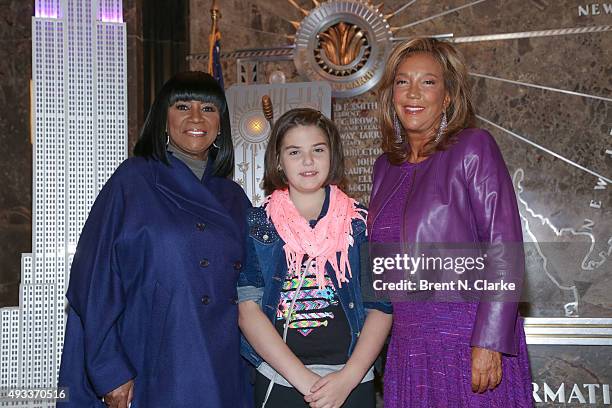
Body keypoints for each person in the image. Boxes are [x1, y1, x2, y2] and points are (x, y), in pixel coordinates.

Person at [58, 71, 251, 408]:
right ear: (163, 118)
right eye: (182, 106)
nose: (195, 117)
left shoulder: (235, 197)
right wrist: (110, 371)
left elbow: (256, 285)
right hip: (154, 362)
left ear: (221, 124)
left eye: (208, 108)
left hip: (225, 366)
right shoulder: (133, 180)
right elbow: (94, 281)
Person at [368, 38, 533, 407]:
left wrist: (490, 340)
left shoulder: (473, 148)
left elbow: (504, 248)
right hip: (408, 345)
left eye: (428, 82)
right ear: (391, 93)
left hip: (467, 337)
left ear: (447, 96)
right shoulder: (384, 168)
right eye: (402, 81)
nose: (413, 93)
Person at [237, 108, 393, 408]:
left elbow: (381, 307)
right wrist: (303, 380)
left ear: (332, 156)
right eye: (294, 152)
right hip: (281, 379)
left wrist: (348, 378)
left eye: (318, 150)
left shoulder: (362, 223)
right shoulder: (258, 223)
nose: (308, 161)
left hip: (351, 380)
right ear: (279, 162)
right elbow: (248, 310)